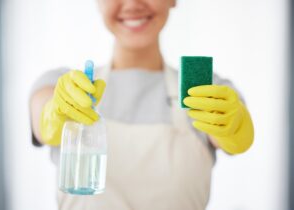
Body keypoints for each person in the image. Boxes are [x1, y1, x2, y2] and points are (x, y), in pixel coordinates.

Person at [29, 0, 254, 209]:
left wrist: (235, 129)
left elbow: (235, 137)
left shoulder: (208, 91)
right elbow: (44, 125)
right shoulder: (60, 86)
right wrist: (54, 117)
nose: (132, 4)